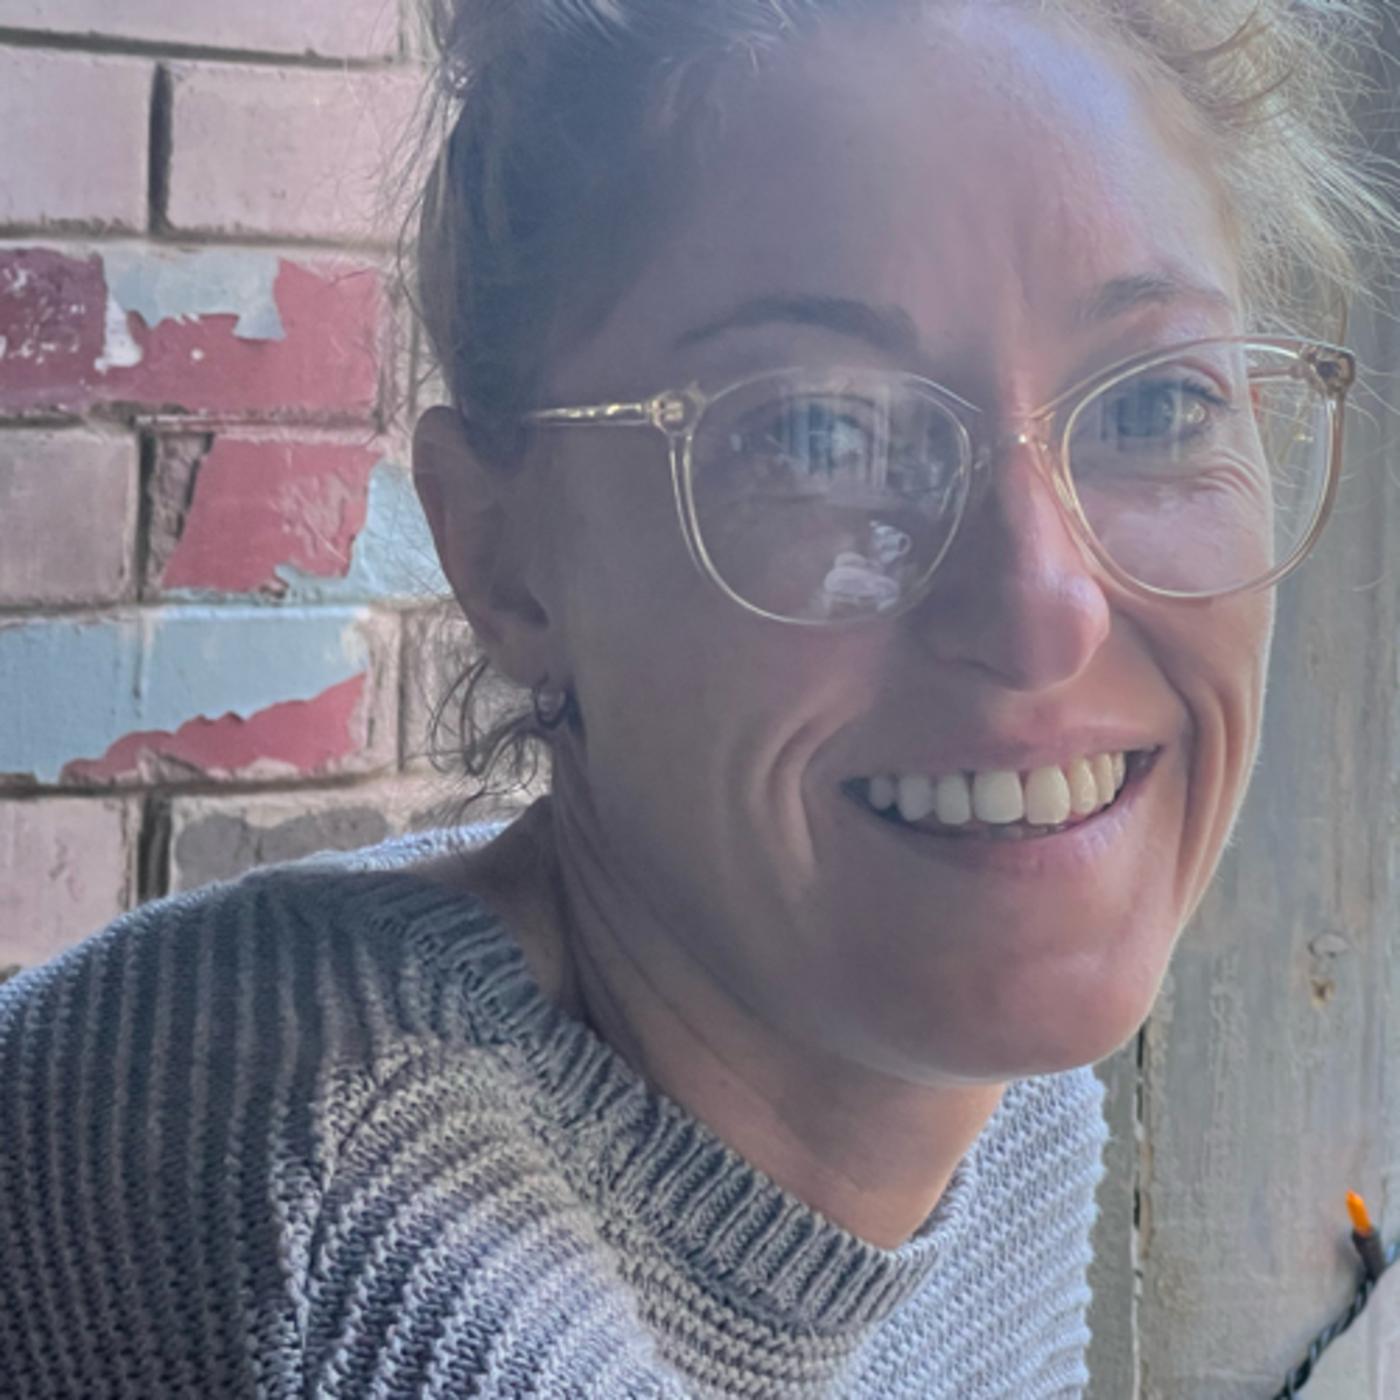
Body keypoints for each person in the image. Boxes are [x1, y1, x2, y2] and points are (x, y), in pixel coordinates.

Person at [0, 1, 1393, 1395]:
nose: (1045, 612)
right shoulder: (355, 1244)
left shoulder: (1002, 1101)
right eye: (816, 432)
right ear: (506, 559)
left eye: (1155, 408)